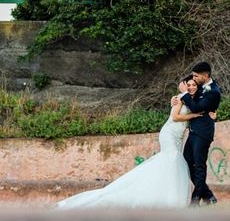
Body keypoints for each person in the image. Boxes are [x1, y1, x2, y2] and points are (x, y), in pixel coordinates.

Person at [56, 76, 208, 209]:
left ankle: (161, 197)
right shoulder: (181, 97)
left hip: (178, 136)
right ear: (185, 85)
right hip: (169, 134)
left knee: (169, 163)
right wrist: (194, 115)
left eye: (194, 85)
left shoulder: (193, 99)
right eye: (189, 84)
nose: (191, 87)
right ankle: (168, 200)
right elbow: (175, 117)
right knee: (173, 159)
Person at [173, 61, 221, 206]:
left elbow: (196, 108)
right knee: (187, 162)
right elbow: (185, 83)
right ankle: (208, 195)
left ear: (205, 75)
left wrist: (185, 94)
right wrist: (179, 94)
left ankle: (195, 200)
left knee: (199, 165)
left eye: (196, 76)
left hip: (203, 134)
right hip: (193, 132)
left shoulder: (214, 92)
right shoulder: (200, 85)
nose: (193, 79)